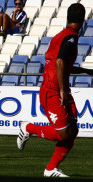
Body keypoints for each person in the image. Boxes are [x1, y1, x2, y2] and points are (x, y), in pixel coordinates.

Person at [17, 3, 93, 177]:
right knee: (63, 134)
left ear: (67, 18)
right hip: (53, 89)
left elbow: (62, 65)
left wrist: (88, 72)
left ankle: (50, 169)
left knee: (72, 131)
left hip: (58, 87)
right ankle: (28, 127)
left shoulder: (61, 35)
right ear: (83, 20)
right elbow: (59, 62)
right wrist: (61, 89)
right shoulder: (71, 37)